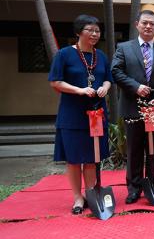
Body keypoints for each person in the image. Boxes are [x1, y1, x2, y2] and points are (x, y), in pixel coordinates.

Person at [48, 15, 112, 214]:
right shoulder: (64, 54)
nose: (94, 34)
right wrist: (79, 90)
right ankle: (78, 197)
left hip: (96, 114)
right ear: (78, 32)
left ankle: (91, 194)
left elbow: (108, 79)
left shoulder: (100, 56)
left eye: (97, 30)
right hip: (73, 115)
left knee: (92, 158)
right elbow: (55, 82)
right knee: (74, 159)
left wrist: (104, 88)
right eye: (90, 30)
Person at [111, 10, 154, 204]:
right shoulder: (124, 48)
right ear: (137, 24)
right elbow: (116, 71)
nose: (148, 27)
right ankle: (134, 187)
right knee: (134, 150)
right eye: (145, 23)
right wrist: (136, 87)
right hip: (133, 106)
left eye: (152, 24)